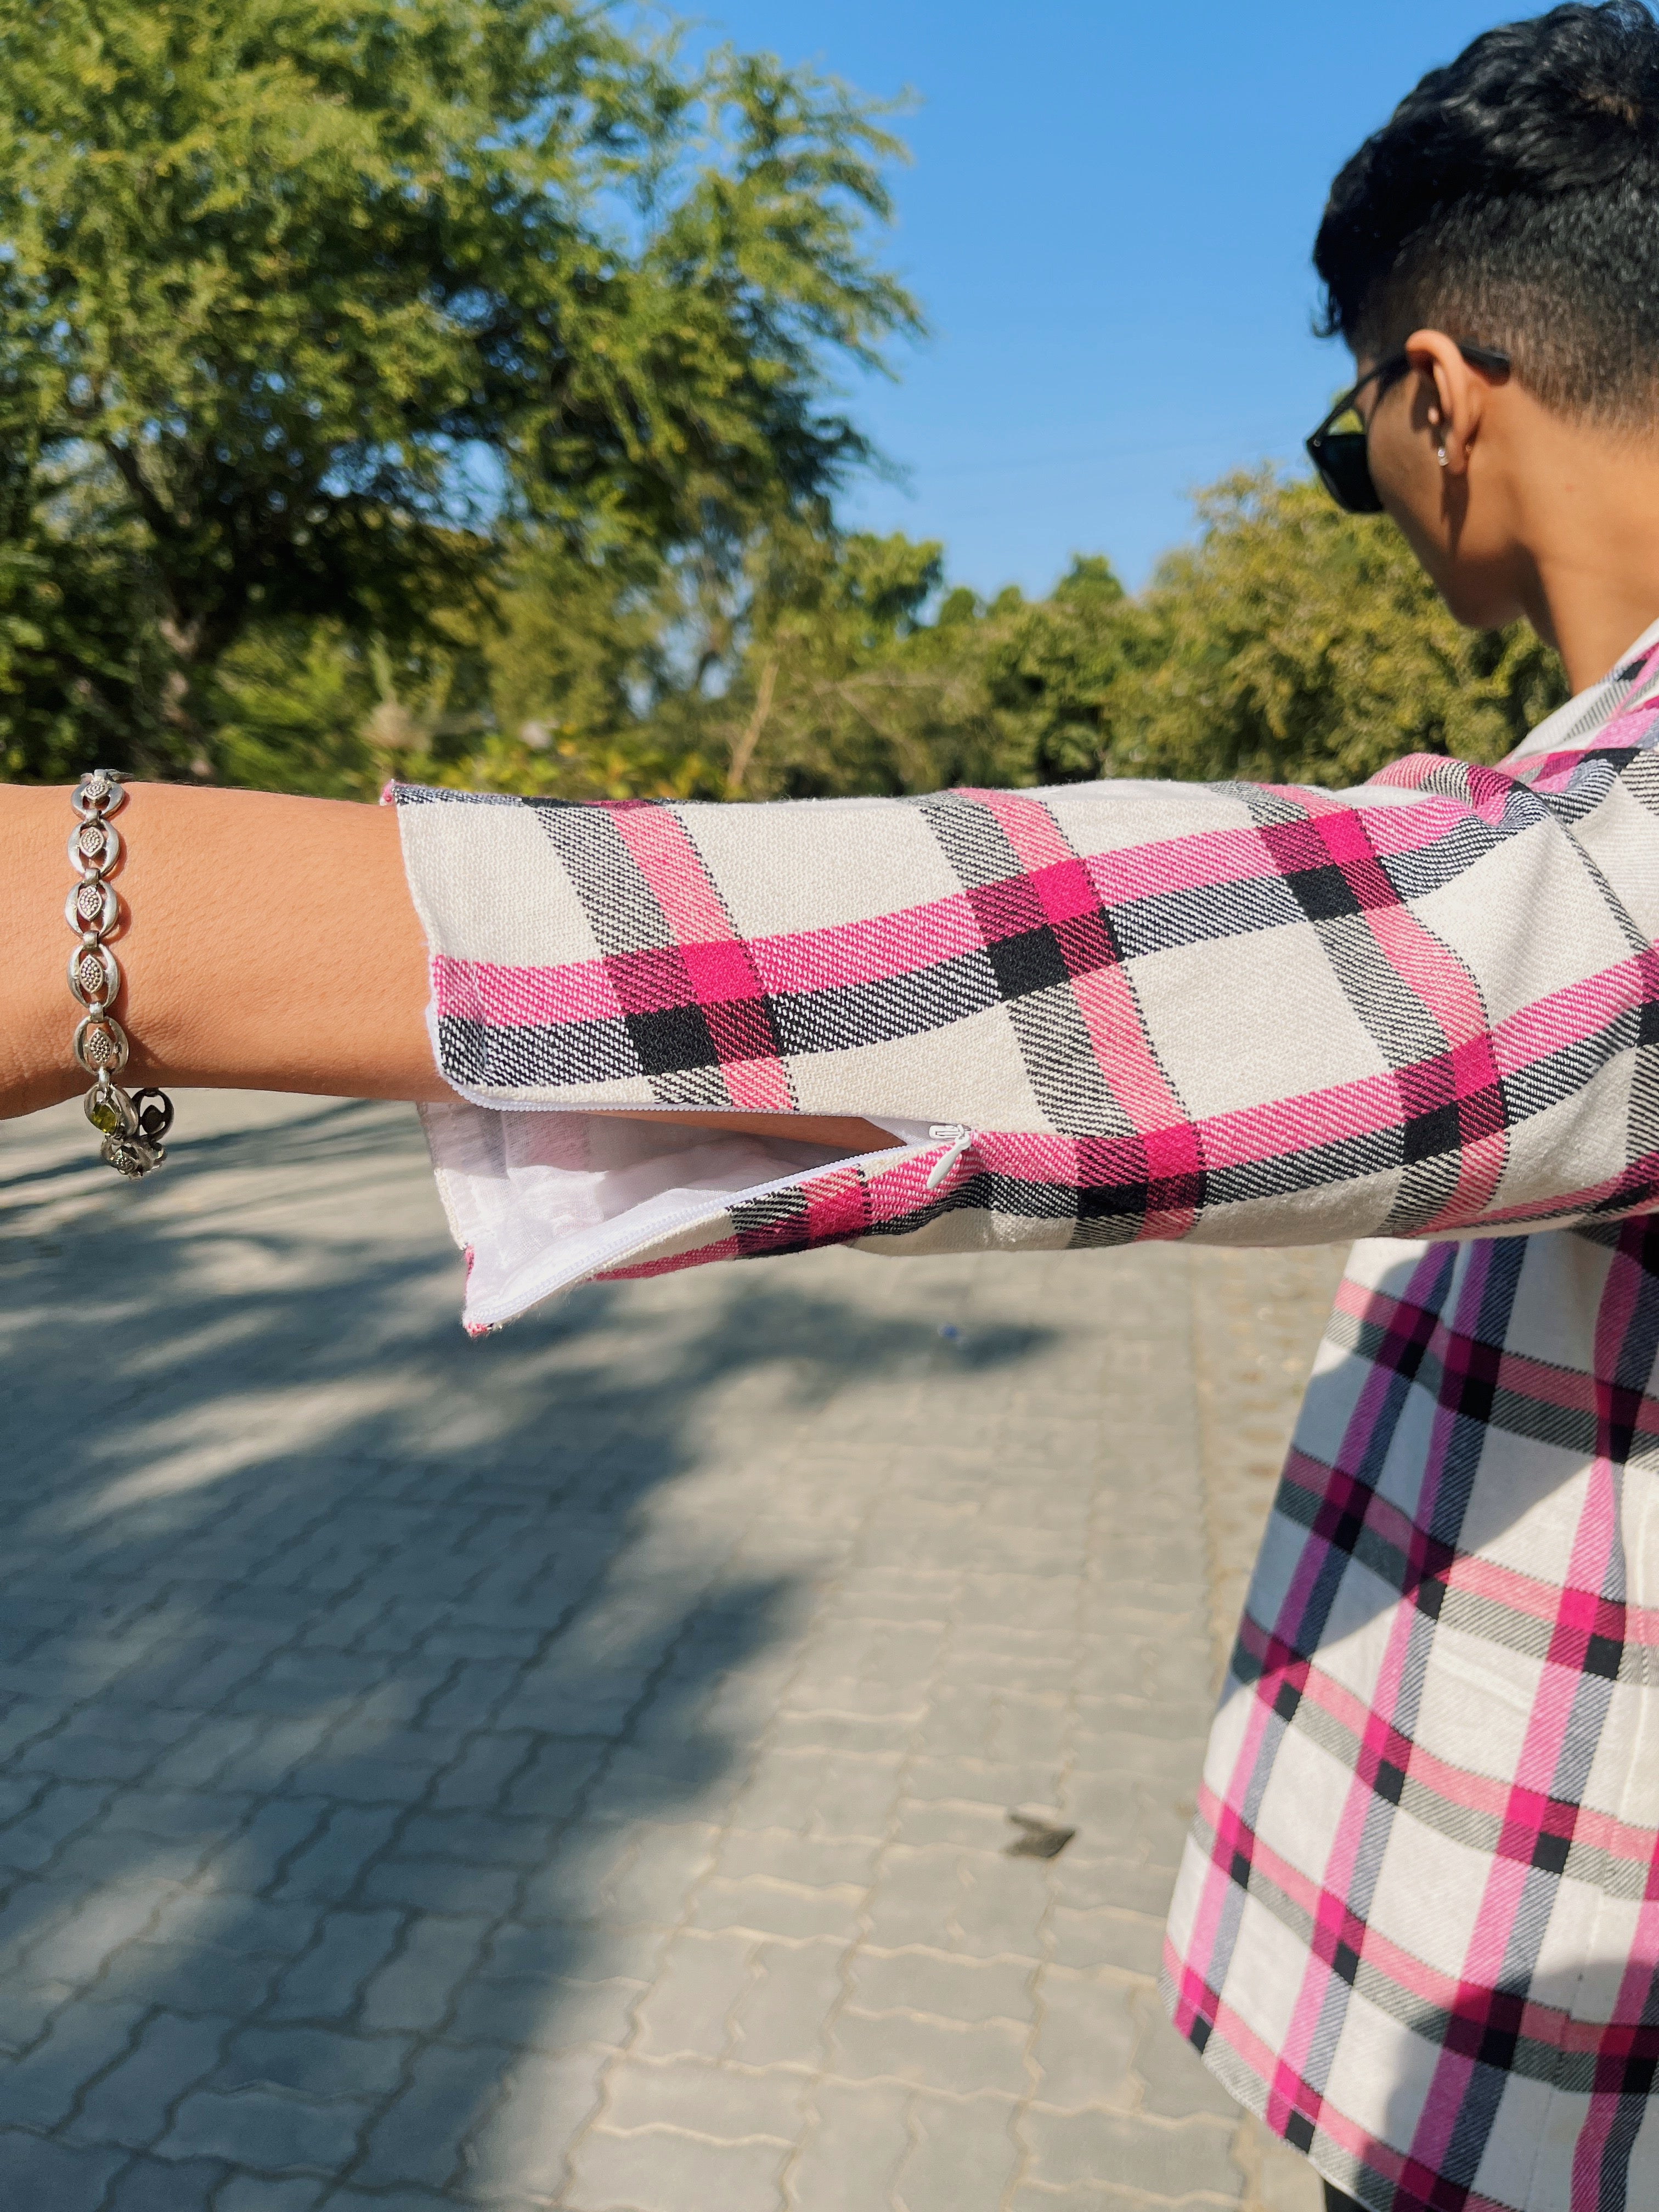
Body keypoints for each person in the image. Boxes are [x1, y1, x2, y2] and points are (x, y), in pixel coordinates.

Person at [4, 3, 1659, 2204]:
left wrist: (120, 916)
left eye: (1346, 453)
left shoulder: (1590, 854)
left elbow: (1445, 954)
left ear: (1431, 397)